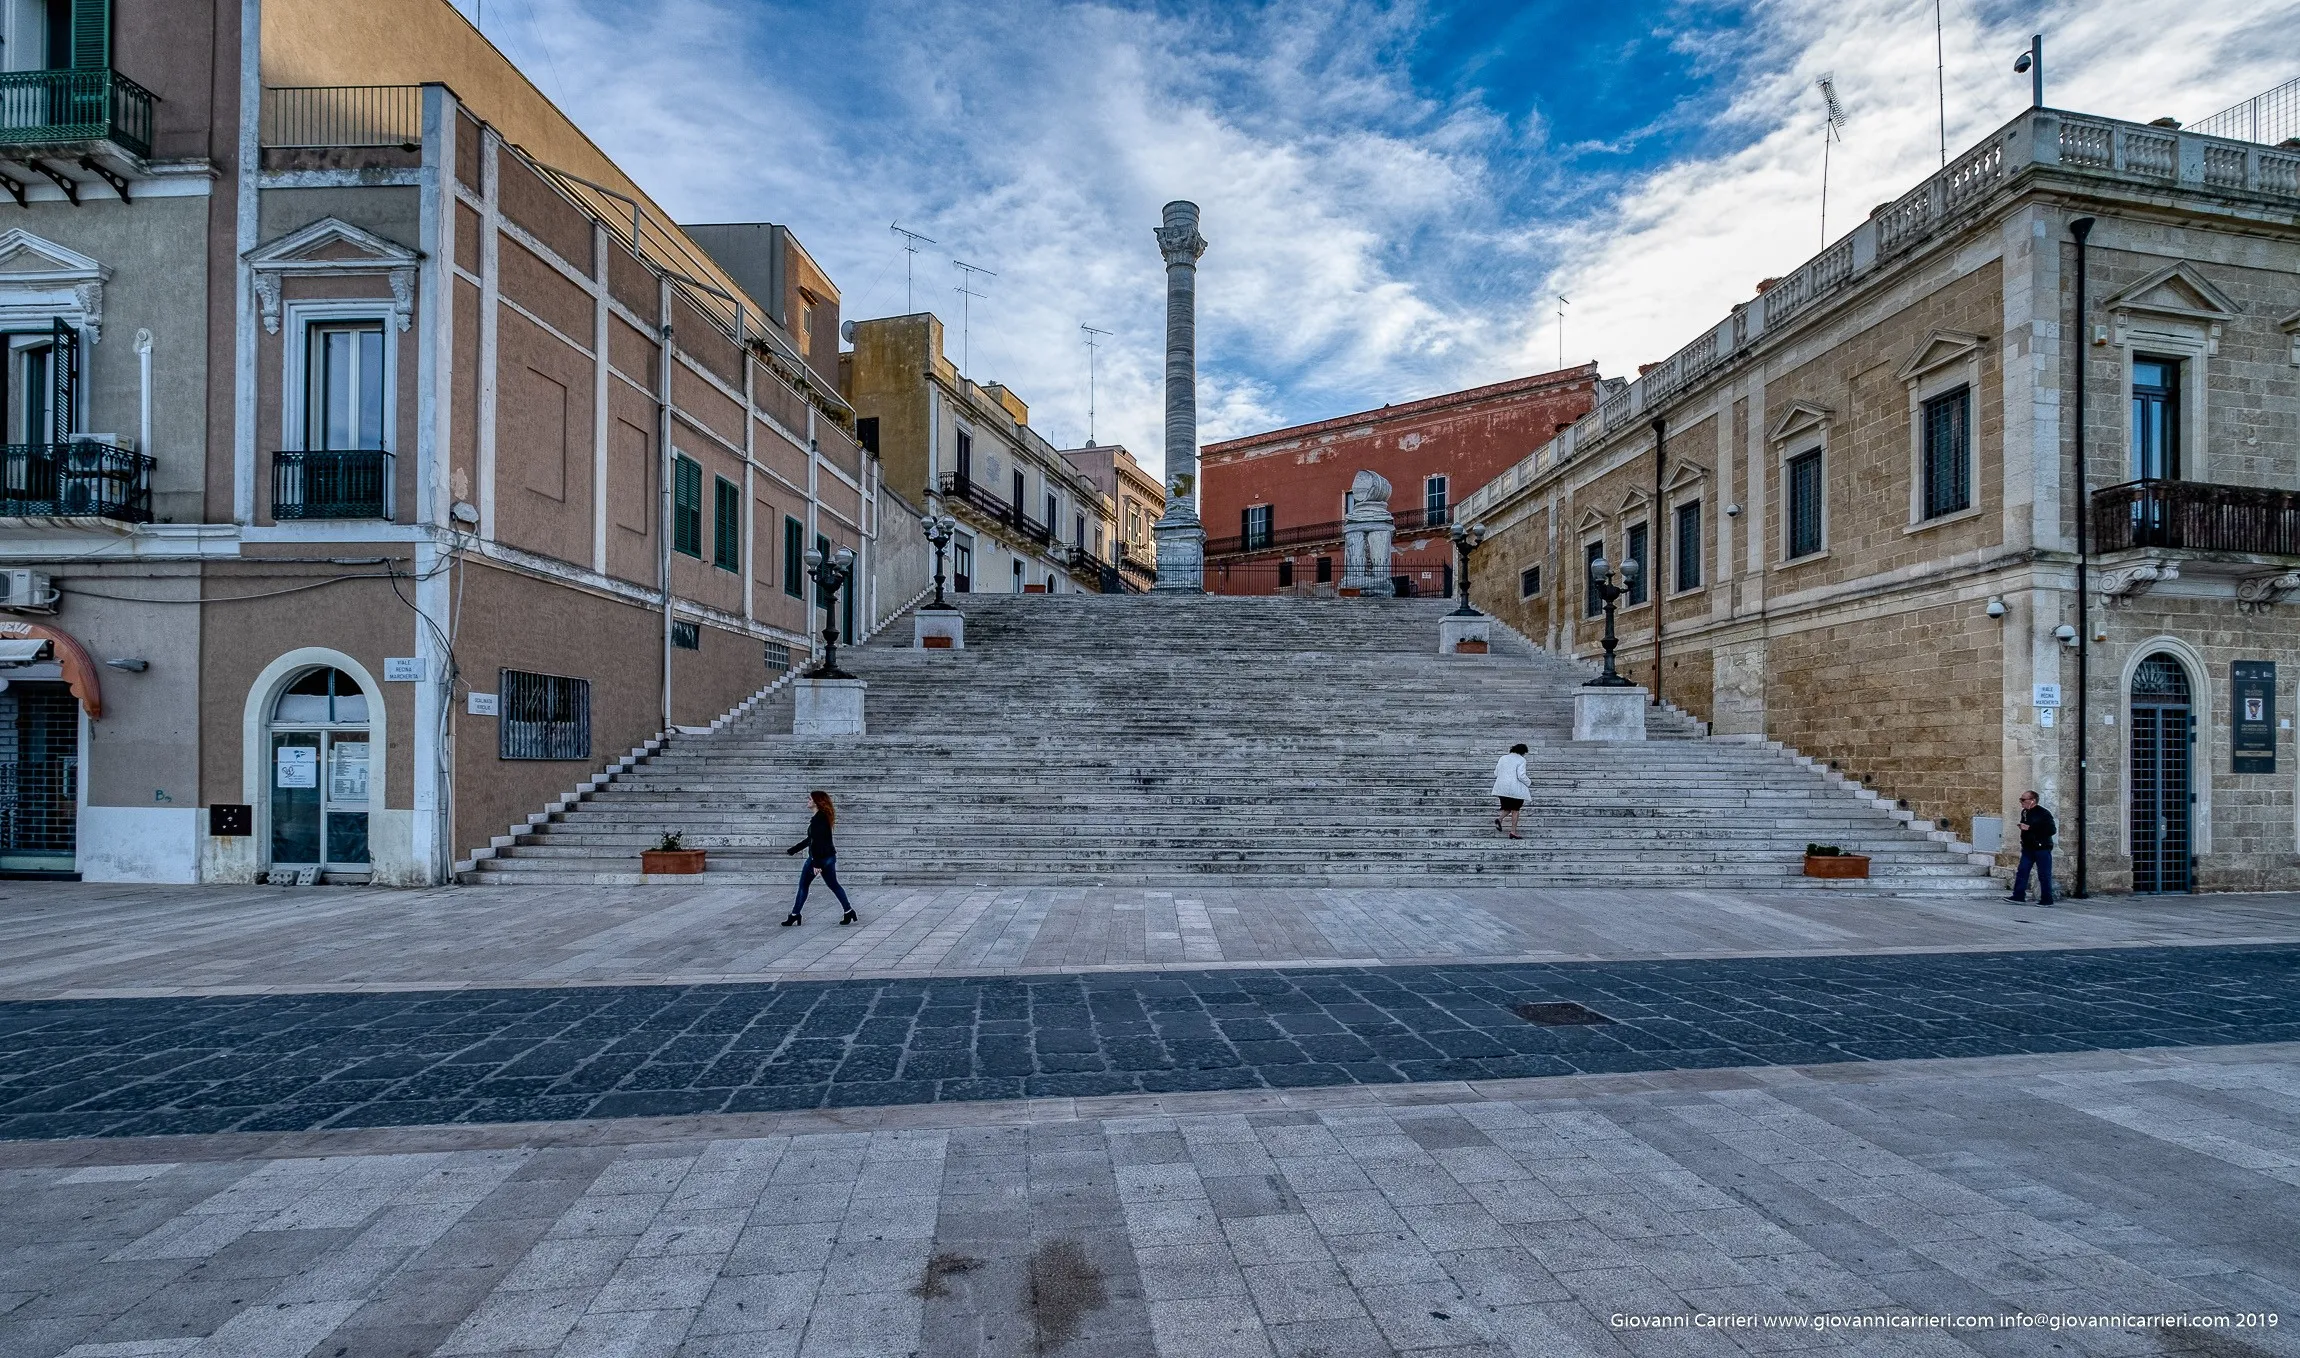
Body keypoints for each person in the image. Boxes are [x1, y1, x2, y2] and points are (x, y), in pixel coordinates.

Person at [783, 790, 857, 926]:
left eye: (810, 799)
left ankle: (795, 915)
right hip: (828, 857)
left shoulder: (818, 820)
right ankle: (849, 911)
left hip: (818, 858)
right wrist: (794, 849)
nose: (808, 801)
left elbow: (817, 843)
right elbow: (812, 839)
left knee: (803, 886)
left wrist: (816, 863)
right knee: (834, 885)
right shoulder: (822, 817)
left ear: (816, 802)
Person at [2009, 790, 2055, 905]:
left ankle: (2047, 899)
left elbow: (2051, 830)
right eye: (2021, 799)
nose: (2021, 802)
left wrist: (2030, 828)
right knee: (2022, 871)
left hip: (2042, 848)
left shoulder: (2044, 813)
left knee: (2044, 874)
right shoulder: (2025, 812)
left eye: (2023, 800)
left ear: (2032, 801)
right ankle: (2018, 896)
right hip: (2028, 848)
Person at [1491, 743, 1530, 839]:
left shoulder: (1502, 758)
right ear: (1523, 752)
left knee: (1508, 807)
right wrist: (1529, 782)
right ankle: (1513, 832)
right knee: (1515, 810)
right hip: (1514, 789)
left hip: (1501, 789)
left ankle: (1499, 819)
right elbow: (1521, 775)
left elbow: (1496, 773)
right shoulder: (1521, 760)